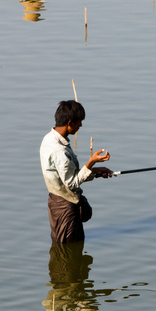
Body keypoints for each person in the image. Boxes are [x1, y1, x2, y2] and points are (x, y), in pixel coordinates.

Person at [40, 100, 113, 243]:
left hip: (56, 200)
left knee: (63, 246)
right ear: (69, 123)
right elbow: (72, 183)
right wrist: (91, 162)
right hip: (65, 207)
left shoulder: (49, 138)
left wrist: (96, 171)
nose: (80, 125)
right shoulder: (59, 150)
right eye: (79, 122)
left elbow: (68, 175)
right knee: (66, 249)